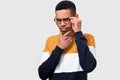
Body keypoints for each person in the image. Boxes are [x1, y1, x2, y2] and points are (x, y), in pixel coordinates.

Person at [38, 0, 97, 80]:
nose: (62, 24)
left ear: (76, 18)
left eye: (66, 19)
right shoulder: (50, 40)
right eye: (58, 20)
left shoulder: (87, 38)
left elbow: (88, 67)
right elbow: (42, 74)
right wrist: (59, 48)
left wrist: (78, 33)